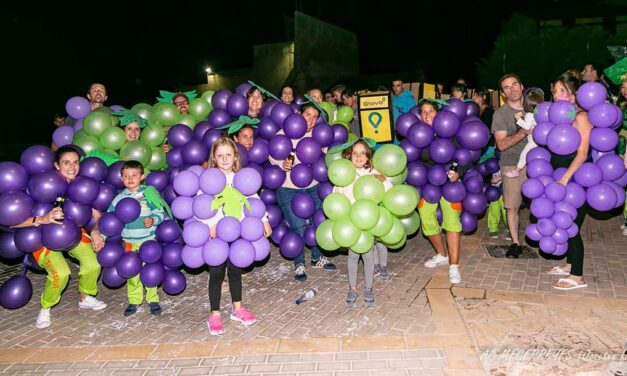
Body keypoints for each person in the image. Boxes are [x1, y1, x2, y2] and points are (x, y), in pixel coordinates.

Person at [12, 146, 107, 329]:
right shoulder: (41, 185)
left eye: (75, 162)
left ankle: (85, 296)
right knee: (61, 273)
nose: (71, 167)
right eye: (66, 162)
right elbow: (11, 222)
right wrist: (42, 219)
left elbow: (98, 216)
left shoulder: (81, 186)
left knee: (94, 262)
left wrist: (95, 231)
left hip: (72, 234)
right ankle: (46, 307)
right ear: (57, 165)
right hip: (42, 236)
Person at [203, 137, 272, 335]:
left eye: (228, 155)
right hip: (217, 234)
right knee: (216, 274)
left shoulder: (241, 178)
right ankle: (214, 314)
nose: (224, 159)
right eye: (220, 155)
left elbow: (254, 199)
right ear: (214, 159)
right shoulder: (209, 179)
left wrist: (264, 219)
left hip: (239, 232)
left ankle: (237, 308)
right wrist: (210, 224)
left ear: (235, 157)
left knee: (235, 271)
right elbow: (203, 204)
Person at [270, 103, 337, 281]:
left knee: (317, 223)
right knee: (298, 228)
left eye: (315, 116)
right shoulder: (284, 132)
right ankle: (299, 263)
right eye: (308, 114)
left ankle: (317, 257)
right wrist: (280, 164)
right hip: (288, 189)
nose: (311, 119)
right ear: (299, 114)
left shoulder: (317, 135)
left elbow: (324, 158)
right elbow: (272, 155)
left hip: (313, 186)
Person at [545, 72, 593, 290]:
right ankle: (570, 264)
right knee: (564, 220)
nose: (556, 95)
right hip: (560, 177)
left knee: (570, 224)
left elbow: (582, 153)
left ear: (573, 95)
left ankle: (577, 276)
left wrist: (565, 178)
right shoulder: (556, 117)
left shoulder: (581, 117)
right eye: (554, 91)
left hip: (576, 179)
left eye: (562, 90)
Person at [331, 138, 392, 308]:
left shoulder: (373, 172)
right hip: (350, 222)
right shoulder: (343, 173)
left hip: (368, 221)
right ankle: (352, 288)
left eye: (362, 153)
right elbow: (336, 197)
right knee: (352, 256)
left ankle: (369, 288)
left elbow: (389, 190)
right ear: (349, 155)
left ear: (368, 156)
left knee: (368, 255)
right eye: (355, 153)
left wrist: (383, 180)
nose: (358, 157)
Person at [108, 160, 166, 316]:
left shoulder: (148, 193)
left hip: (148, 241)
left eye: (134, 175)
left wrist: (153, 220)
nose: (130, 178)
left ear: (142, 176)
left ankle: (153, 299)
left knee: (150, 271)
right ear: (121, 179)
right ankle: (134, 301)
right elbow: (110, 220)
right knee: (132, 274)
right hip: (129, 243)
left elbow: (161, 212)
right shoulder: (118, 198)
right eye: (126, 176)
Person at [418, 100, 465, 284]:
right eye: (423, 112)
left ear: (438, 113)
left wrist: (458, 173)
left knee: (452, 221)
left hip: (450, 184)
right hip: (430, 184)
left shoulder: (451, 131)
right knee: (426, 216)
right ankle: (441, 254)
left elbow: (465, 155)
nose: (427, 114)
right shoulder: (418, 135)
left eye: (431, 111)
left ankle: (454, 266)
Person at [492, 73, 530, 259]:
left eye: (514, 84)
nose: (512, 89)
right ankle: (516, 243)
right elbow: (501, 144)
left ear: (521, 86)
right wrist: (523, 133)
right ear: (503, 93)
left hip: (538, 162)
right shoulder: (500, 114)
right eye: (506, 87)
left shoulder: (536, 107)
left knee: (541, 203)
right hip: (511, 164)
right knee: (512, 206)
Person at [505, 88, 545, 178]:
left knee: (524, 155)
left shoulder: (529, 115)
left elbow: (527, 127)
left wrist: (518, 119)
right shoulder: (540, 114)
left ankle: (516, 170)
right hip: (540, 141)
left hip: (533, 142)